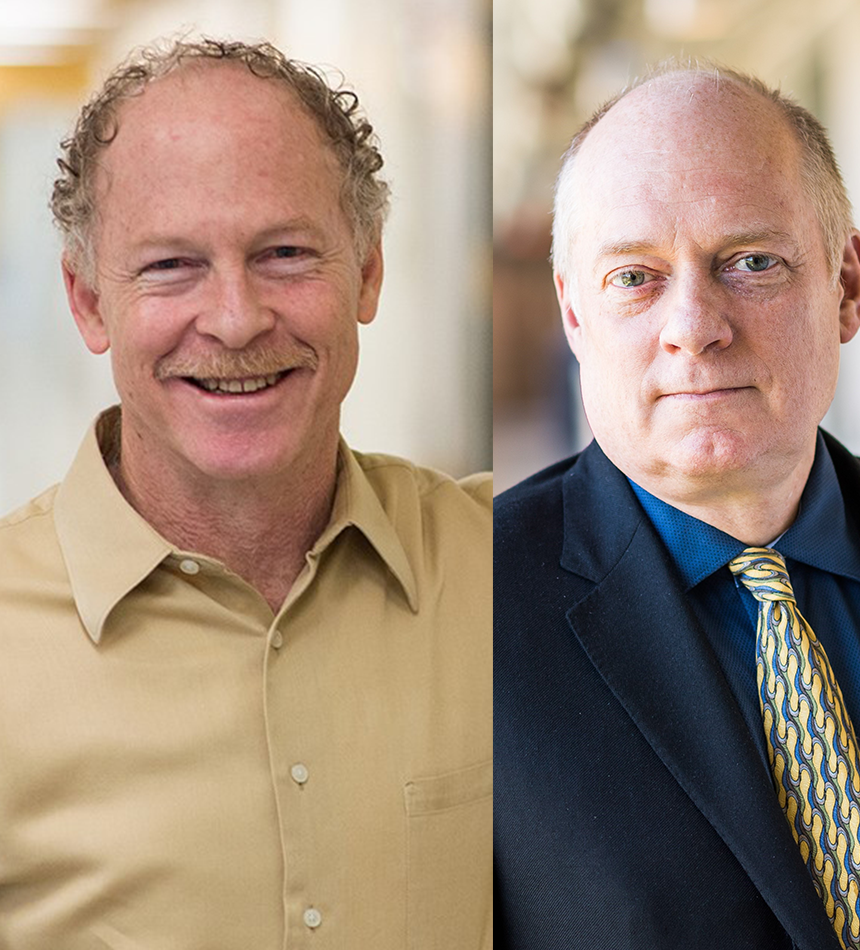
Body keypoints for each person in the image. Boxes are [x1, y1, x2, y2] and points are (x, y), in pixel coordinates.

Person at [0, 37, 491, 949]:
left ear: (369, 273)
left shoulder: (510, 569)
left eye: (286, 253)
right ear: (88, 303)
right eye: (170, 266)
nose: (233, 319)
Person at [494, 64, 860, 949]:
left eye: (750, 262)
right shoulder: (461, 618)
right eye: (634, 277)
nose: (694, 325)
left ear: (847, 285)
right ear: (574, 315)